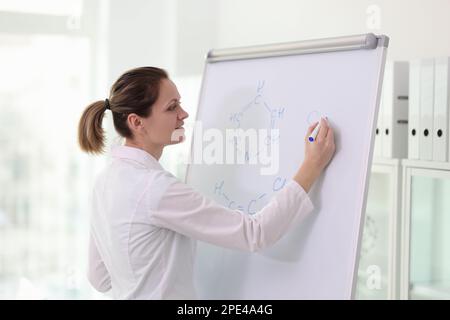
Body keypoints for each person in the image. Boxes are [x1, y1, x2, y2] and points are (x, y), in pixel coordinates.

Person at [78, 66, 335, 299]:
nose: (183, 114)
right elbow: (255, 234)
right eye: (171, 107)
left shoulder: (105, 180)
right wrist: (311, 166)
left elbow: (99, 277)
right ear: (137, 122)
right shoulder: (155, 189)